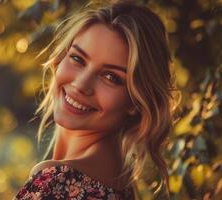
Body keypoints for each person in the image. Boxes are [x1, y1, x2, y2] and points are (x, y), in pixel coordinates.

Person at [14, 1, 180, 199]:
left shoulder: (56, 185)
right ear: (59, 59)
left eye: (111, 77)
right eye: (77, 59)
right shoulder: (120, 185)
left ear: (136, 102)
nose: (81, 85)